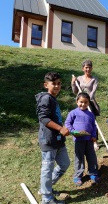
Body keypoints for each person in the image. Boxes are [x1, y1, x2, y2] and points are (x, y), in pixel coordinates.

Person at [36, 72, 70, 204]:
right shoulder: (46, 98)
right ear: (46, 85)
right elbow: (43, 118)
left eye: (59, 83)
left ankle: (46, 188)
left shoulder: (53, 99)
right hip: (48, 140)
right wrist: (60, 128)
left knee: (64, 163)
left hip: (58, 139)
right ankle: (47, 198)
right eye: (53, 83)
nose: (56, 86)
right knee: (47, 168)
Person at [65, 92, 100, 186]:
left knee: (92, 157)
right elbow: (67, 124)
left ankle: (93, 173)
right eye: (81, 102)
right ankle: (78, 176)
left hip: (88, 140)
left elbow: (94, 126)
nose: (83, 104)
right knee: (79, 158)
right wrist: (74, 132)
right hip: (78, 140)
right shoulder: (73, 113)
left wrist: (93, 136)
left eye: (86, 102)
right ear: (77, 102)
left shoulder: (91, 115)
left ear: (88, 103)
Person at [71, 59, 100, 150]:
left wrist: (87, 100)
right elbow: (75, 92)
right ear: (83, 68)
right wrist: (73, 83)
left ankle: (95, 141)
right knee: (82, 121)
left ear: (91, 68)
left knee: (93, 122)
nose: (88, 69)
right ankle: (83, 137)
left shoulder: (94, 79)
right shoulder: (79, 78)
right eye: (86, 67)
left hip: (90, 103)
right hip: (81, 103)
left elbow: (93, 92)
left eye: (89, 67)